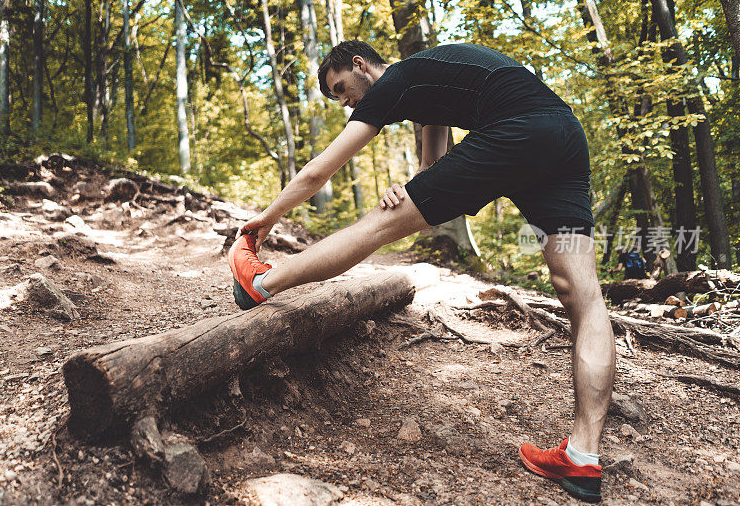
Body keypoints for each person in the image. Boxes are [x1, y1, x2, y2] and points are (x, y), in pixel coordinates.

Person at [228, 40, 614, 502]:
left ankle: (260, 282)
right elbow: (434, 169)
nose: (345, 101)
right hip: (562, 137)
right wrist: (410, 186)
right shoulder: (430, 83)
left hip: (516, 131)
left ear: (359, 66)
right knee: (583, 294)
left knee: (378, 225)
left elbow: (318, 173)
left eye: (342, 88)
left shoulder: (395, 81)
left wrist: (267, 218)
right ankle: (584, 458)